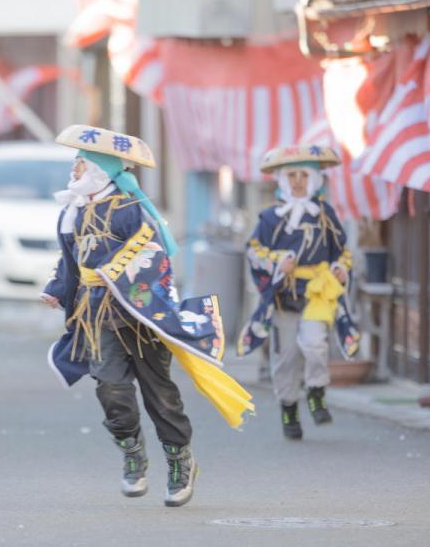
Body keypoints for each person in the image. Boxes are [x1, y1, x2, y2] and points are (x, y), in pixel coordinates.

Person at [41, 125, 254, 507]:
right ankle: (132, 453)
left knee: (161, 395)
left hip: (141, 316)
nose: (73, 171)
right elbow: (70, 262)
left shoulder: (128, 210)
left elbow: (154, 256)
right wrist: (58, 290)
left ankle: (180, 460)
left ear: (97, 170)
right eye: (74, 164)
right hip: (95, 315)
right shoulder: (73, 212)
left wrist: (117, 277)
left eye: (80, 164)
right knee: (110, 388)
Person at [237, 142, 360, 440]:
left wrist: (341, 268)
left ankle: (317, 390)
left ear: (314, 179)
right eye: (291, 176)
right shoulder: (269, 219)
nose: (297, 183)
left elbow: (342, 252)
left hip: (317, 294)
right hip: (283, 298)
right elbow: (253, 251)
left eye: (303, 176)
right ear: (282, 180)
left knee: (316, 344)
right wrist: (278, 262)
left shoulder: (326, 216)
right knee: (286, 358)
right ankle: (288, 407)